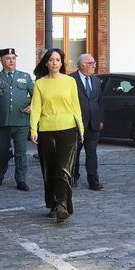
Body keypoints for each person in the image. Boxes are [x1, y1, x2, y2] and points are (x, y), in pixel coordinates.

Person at [30, 49, 84, 223]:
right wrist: (33, 129)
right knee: (49, 168)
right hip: (46, 130)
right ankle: (52, 204)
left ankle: (62, 205)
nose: (54, 63)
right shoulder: (40, 84)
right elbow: (36, 108)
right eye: (51, 60)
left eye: (58, 60)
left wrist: (81, 128)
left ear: (62, 63)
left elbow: (76, 107)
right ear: (46, 63)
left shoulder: (70, 82)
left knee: (64, 168)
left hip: (68, 128)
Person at [0, 48, 33, 190]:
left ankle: (21, 179)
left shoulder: (25, 77)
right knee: (0, 151)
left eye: (14, 58)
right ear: (1, 61)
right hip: (1, 121)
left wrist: (33, 106)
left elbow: (36, 95)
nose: (12, 61)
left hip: (21, 120)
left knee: (21, 152)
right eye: (8, 58)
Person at [71, 54, 105, 191]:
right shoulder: (71, 79)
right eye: (91, 63)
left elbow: (100, 101)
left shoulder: (96, 81)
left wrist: (101, 119)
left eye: (94, 62)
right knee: (75, 154)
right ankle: (73, 178)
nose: (94, 65)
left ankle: (93, 181)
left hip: (93, 123)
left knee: (92, 154)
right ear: (82, 64)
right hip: (76, 124)